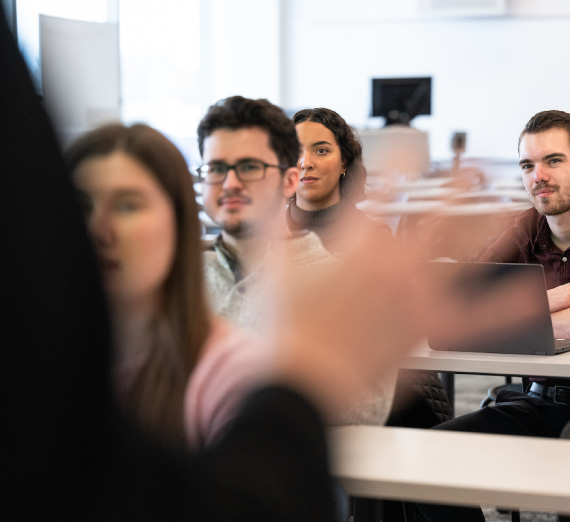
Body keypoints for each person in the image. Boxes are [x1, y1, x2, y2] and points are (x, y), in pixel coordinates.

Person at [66, 122, 274, 450]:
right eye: (81, 207)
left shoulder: (232, 374)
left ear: (179, 223)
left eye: (127, 205)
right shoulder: (39, 356)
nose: (99, 230)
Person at [410, 110, 570, 522]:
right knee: (424, 457)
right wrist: (552, 308)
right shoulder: (525, 228)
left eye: (554, 160)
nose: (539, 176)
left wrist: (513, 307)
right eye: (527, 165)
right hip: (541, 403)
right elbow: (459, 308)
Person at [197, 95, 396, 427]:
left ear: (286, 178)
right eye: (216, 168)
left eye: (249, 167)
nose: (231, 183)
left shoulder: (339, 278)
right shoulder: (182, 277)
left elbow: (366, 406)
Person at [287, 107, 394, 255]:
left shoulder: (375, 240)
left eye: (321, 151)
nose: (306, 163)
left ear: (344, 163)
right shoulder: (260, 239)